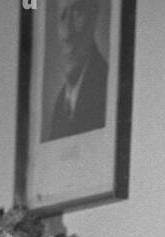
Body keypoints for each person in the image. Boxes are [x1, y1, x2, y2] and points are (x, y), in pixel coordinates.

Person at [44, 0, 109, 141]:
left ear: (93, 17)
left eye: (77, 12)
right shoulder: (60, 105)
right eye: (62, 17)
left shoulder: (108, 88)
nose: (67, 34)